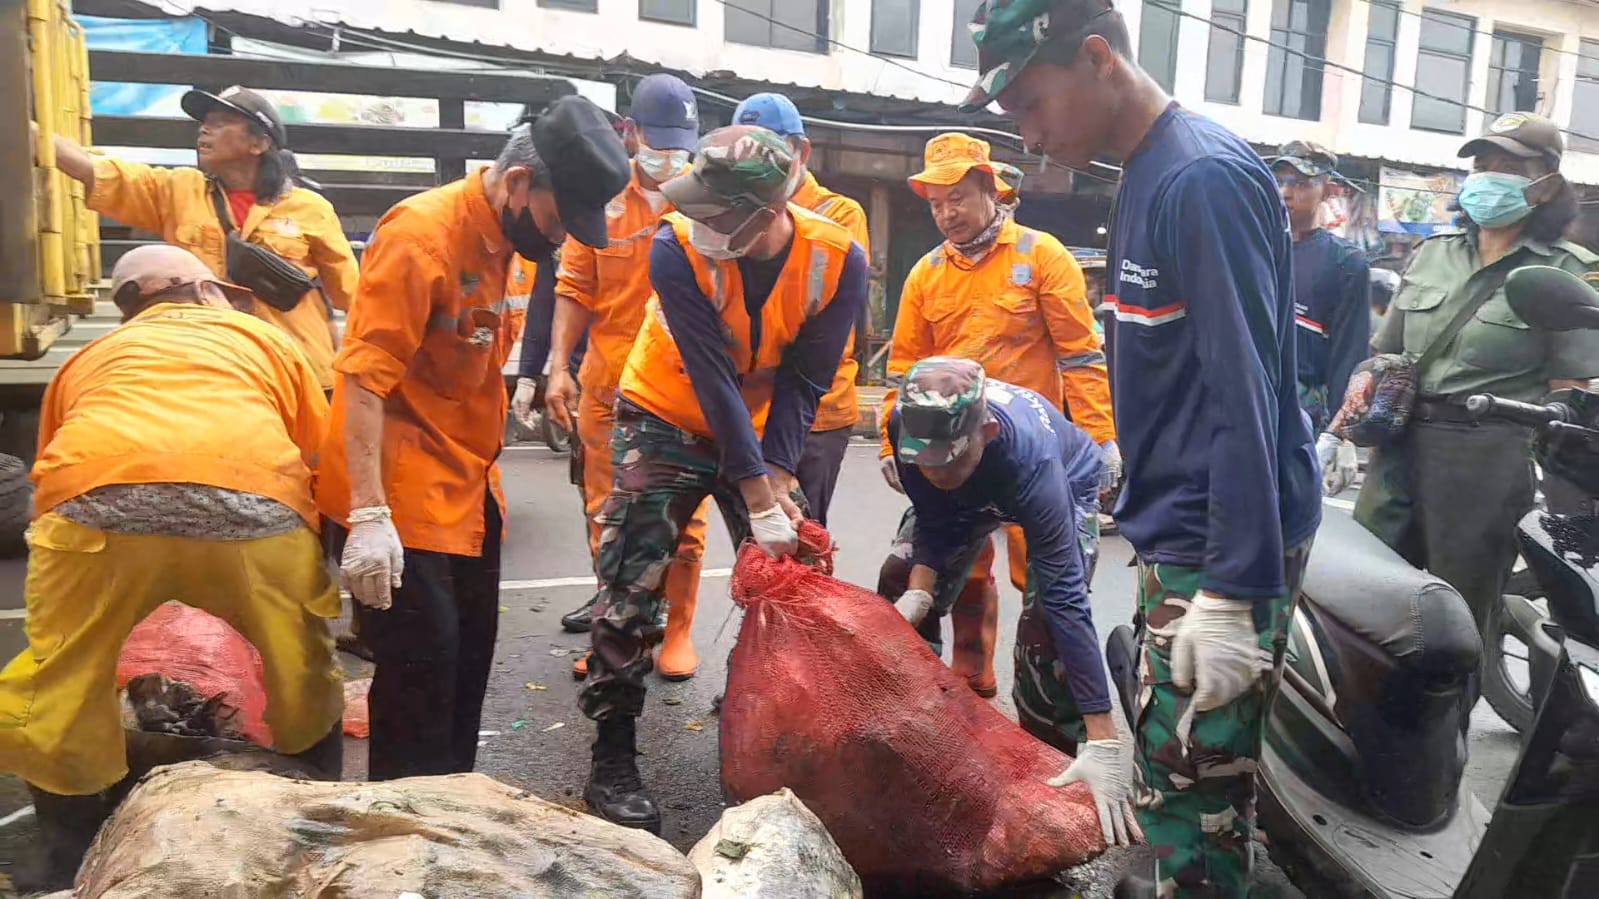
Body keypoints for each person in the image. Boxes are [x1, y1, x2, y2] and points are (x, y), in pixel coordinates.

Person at [965, 1, 1321, 893]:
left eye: (1031, 105)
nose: (1030, 136)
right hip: (1179, 531)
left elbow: (1248, 394)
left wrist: (1235, 592)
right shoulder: (1145, 171)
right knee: (1178, 781)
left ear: (1096, 58)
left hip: (1219, 544)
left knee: (1193, 807)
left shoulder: (1198, 178)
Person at [0, 245, 339, 887]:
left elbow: (51, 461)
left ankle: (66, 863)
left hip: (98, 507)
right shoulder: (259, 338)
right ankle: (315, 832)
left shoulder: (91, 356)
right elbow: (320, 450)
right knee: (299, 669)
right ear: (206, 289)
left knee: (62, 683)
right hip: (250, 506)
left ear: (130, 306)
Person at [316, 96, 630, 781]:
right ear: (518, 183)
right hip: (402, 494)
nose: (557, 240)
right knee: (420, 683)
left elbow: (478, 346)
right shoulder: (421, 237)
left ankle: (454, 816)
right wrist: (368, 515)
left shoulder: (511, 242)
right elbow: (364, 380)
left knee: (465, 668)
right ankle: (406, 837)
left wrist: (524, 385)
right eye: (554, 219)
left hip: (469, 485)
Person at [580, 125, 868, 833]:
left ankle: (775, 722)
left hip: (763, 420)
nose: (694, 217)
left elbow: (806, 379)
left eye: (713, 209)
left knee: (795, 566)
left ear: (764, 213)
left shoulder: (839, 259)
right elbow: (709, 375)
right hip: (665, 412)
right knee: (631, 577)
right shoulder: (674, 246)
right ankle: (612, 750)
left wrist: (773, 478)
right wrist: (753, 488)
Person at [877, 131, 1116, 699]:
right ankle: (969, 680)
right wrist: (894, 445)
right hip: (956, 451)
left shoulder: (1041, 256)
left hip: (1031, 452)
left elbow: (1080, 355)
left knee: (1049, 580)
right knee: (955, 567)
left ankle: (1046, 705)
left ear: (989, 187)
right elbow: (903, 370)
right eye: (935, 204)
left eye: (956, 197)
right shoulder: (926, 274)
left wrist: (1102, 439)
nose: (945, 214)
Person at [1356, 113, 1599, 651]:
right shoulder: (1433, 254)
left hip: (1485, 454)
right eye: (1483, 164)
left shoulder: (1567, 271)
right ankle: (1371, 731)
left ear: (1546, 185)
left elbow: (1570, 397)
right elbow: (1385, 352)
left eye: (1509, 166)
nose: (1488, 176)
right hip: (1399, 445)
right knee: (1366, 600)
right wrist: (1361, 395)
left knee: (1456, 622)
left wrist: (1569, 507)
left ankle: (1447, 733)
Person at [886, 357, 1138, 848]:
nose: (937, 473)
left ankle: (1051, 775)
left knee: (1046, 630)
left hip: (1066, 482)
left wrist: (1104, 735)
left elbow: (1067, 598)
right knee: (897, 579)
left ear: (988, 429)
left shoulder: (1031, 460)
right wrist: (920, 592)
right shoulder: (908, 427)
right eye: (927, 461)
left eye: (951, 459)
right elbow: (934, 515)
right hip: (977, 492)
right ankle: (909, 732)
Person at [532, 74, 707, 682]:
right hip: (608, 386)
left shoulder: (705, 195)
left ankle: (677, 630)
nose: (670, 154)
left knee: (682, 520)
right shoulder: (600, 196)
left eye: (680, 141)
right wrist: (558, 366)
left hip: (681, 391)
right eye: (658, 141)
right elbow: (574, 287)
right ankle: (620, 632)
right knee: (607, 516)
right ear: (631, 135)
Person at [51, 86, 359, 392]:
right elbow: (98, 172)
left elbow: (354, 294)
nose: (205, 129)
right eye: (204, 122)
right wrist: (30, 130)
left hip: (296, 372)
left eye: (222, 122)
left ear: (258, 143)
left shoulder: (310, 208)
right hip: (210, 370)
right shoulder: (178, 190)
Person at [732, 92, 871, 527]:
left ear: (801, 152)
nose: (762, 166)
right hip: (753, 405)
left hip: (818, 409)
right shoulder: (735, 208)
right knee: (757, 542)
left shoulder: (839, 215)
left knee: (801, 539)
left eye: (773, 151)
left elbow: (836, 323)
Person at [1267, 141, 1370, 496]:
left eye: (1299, 182)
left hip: (1301, 411)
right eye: (1279, 179)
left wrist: (1340, 432)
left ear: (1328, 189)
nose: (1285, 191)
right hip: (1244, 395)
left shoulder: (1345, 263)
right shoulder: (1253, 247)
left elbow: (1349, 353)